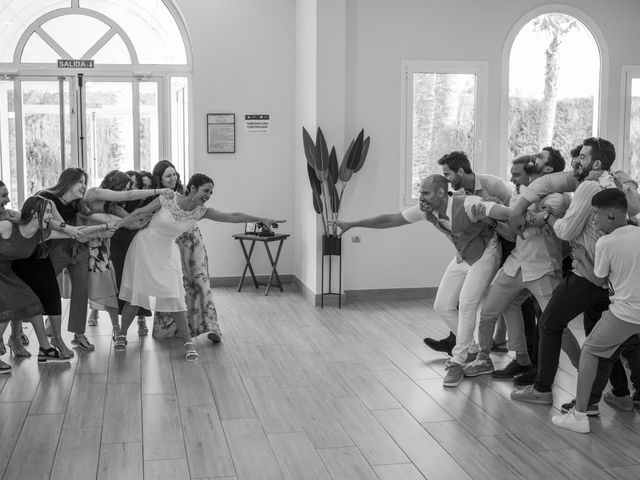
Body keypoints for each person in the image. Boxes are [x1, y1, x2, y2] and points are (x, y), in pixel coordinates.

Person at [336, 173, 507, 387]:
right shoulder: (427, 211)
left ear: (441, 192)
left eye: (425, 192)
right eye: (420, 193)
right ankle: (472, 350)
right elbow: (391, 219)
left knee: (467, 304)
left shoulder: (466, 203)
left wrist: (520, 210)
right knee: (442, 306)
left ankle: (458, 361)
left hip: (485, 254)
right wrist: (353, 224)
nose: (421, 197)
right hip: (463, 255)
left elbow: (498, 210)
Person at [510, 137, 640, 410]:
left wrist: (547, 218)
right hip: (610, 278)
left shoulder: (588, 187)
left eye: (581, 157)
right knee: (598, 337)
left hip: (587, 274)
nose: (575, 161)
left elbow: (566, 231)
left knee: (549, 323)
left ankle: (542, 389)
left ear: (595, 162)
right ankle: (618, 394)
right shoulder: (615, 183)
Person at [115, 172, 284, 361]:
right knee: (136, 294)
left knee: (176, 296)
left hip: (167, 253)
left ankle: (188, 343)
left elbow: (234, 216)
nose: (209, 195)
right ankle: (122, 335)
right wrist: (112, 228)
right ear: (193, 188)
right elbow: (140, 213)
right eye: (206, 190)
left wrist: (262, 219)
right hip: (144, 247)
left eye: (211, 192)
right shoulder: (168, 198)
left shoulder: (201, 212)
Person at [463, 150, 580, 379]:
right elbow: (513, 233)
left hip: (543, 269)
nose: (533, 158)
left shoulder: (559, 197)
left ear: (547, 169)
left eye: (538, 157)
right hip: (515, 265)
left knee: (559, 326)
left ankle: (585, 371)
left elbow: (530, 223)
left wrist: (506, 212)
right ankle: (497, 359)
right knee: (490, 313)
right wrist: (492, 220)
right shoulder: (521, 197)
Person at [552, 189, 640, 433]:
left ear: (611, 215)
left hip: (626, 313)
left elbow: (599, 281)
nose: (593, 221)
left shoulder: (606, 242)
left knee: (590, 351)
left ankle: (579, 416)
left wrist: (580, 259)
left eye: (596, 215)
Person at [424, 151, 513, 355]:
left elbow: (511, 219)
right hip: (472, 247)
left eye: (447, 174)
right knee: (453, 301)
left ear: (461, 171)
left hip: (502, 242)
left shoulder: (496, 186)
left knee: (479, 299)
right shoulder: (457, 193)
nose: (445, 180)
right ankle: (457, 341)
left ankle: (495, 341)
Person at [80, 170, 171, 338]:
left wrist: (151, 218)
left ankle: (117, 329)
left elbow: (131, 223)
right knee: (78, 290)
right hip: (79, 245)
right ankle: (62, 325)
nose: (124, 193)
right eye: (124, 188)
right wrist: (158, 191)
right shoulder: (95, 193)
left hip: (99, 248)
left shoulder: (112, 207)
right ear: (116, 185)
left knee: (107, 289)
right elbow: (129, 196)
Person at [151, 161, 222, 344]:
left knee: (200, 282)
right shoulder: (159, 197)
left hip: (192, 244)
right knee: (173, 287)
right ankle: (174, 329)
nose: (173, 178)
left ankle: (213, 327)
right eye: (168, 175)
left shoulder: (187, 192)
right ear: (159, 179)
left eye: (174, 174)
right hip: (169, 246)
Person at [0, 195, 73, 372]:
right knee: (6, 308)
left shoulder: (38, 233)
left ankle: (45, 349)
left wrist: (103, 228)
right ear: (34, 212)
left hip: (6, 272)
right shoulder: (8, 224)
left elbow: (75, 232)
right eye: (47, 212)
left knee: (32, 302)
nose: (51, 215)